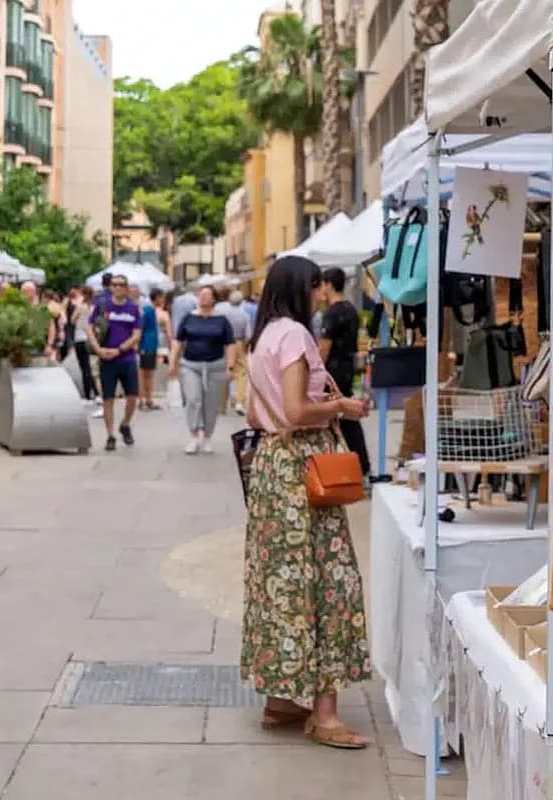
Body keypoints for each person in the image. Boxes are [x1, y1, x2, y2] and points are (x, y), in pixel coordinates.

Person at [238, 255, 372, 749]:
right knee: (326, 582)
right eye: (317, 288)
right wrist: (341, 406)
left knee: (281, 583)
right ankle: (325, 713)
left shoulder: (263, 338)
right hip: (303, 467)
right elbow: (296, 411)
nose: (322, 296)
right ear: (304, 287)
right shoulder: (295, 335)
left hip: (274, 468)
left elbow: (258, 413)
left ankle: (281, 699)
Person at [169, 286, 236, 454]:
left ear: (214, 299)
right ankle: (193, 436)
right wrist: (173, 362)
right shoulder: (188, 318)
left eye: (207, 295)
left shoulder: (222, 320)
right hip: (191, 364)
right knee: (193, 399)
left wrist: (230, 366)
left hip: (215, 366)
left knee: (211, 403)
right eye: (201, 295)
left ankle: (207, 436)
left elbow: (230, 344)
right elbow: (178, 341)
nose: (203, 298)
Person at [318, 268, 370, 477]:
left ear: (328, 284)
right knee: (348, 417)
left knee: (333, 417)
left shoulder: (332, 313)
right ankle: (361, 464)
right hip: (347, 369)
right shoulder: (351, 310)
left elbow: (324, 348)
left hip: (332, 371)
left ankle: (340, 467)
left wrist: (315, 372)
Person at [87, 274, 141, 451]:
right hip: (106, 359)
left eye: (121, 285)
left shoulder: (133, 308)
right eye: (114, 284)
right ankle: (110, 435)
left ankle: (125, 424)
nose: (118, 287)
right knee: (108, 399)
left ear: (126, 287)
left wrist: (120, 349)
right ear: (110, 287)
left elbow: (137, 334)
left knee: (132, 397)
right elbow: (89, 327)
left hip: (126, 358)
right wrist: (98, 349)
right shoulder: (102, 306)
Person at [215, 289, 251, 414]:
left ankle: (221, 405)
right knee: (241, 373)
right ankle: (240, 402)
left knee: (225, 372)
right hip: (239, 343)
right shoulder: (244, 315)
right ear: (241, 301)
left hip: (224, 343)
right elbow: (248, 335)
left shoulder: (223, 314)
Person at [70, 287, 97, 402]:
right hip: (91, 339)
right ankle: (96, 392)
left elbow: (72, 320)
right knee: (89, 367)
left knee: (84, 367)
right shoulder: (94, 307)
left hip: (80, 338)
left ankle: (87, 396)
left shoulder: (81, 307)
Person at [138, 289, 160, 410]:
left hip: (149, 345)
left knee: (148, 373)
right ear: (156, 298)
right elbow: (141, 327)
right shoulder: (148, 310)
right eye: (161, 297)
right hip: (147, 345)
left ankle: (147, 399)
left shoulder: (149, 310)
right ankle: (144, 399)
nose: (162, 300)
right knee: (145, 373)